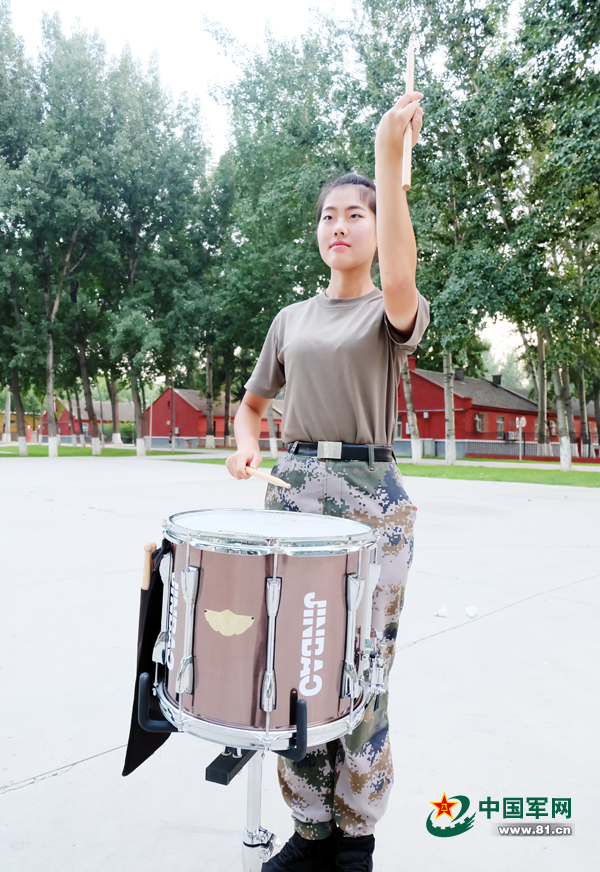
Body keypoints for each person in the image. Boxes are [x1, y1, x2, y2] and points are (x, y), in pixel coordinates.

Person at [226, 91, 429, 872]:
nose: (338, 225)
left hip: (372, 496)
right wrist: (248, 448)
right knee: (295, 666)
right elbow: (250, 408)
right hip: (293, 492)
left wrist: (389, 155)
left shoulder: (389, 309)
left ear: (377, 231)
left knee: (363, 671)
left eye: (356, 214)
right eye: (327, 216)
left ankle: (356, 834)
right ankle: (308, 829)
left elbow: (407, 272)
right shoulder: (290, 318)